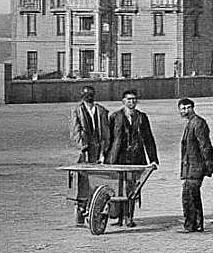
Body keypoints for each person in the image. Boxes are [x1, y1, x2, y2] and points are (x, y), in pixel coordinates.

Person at [105, 89, 159, 228]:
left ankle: (129, 217)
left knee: (133, 188)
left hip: (136, 158)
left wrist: (153, 159)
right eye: (129, 99)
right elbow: (108, 139)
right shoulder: (115, 117)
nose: (132, 102)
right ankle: (119, 218)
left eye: (134, 99)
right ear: (123, 101)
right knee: (118, 187)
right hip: (117, 158)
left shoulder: (142, 117)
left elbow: (148, 139)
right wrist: (104, 157)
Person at [68, 85, 110, 226]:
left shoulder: (101, 111)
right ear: (82, 96)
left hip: (99, 150)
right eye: (86, 94)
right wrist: (83, 147)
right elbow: (75, 132)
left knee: (98, 179)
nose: (89, 96)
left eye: (91, 94)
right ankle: (81, 209)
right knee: (83, 180)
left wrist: (104, 151)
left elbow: (106, 133)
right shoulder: (77, 111)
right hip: (84, 152)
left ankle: (95, 208)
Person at [177, 97, 213, 233]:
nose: (185, 111)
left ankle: (194, 225)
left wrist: (208, 165)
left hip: (196, 167)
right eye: (183, 108)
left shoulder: (198, 123)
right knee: (190, 195)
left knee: (191, 196)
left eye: (188, 108)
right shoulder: (191, 123)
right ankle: (194, 224)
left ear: (193, 108)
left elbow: (205, 146)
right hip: (190, 167)